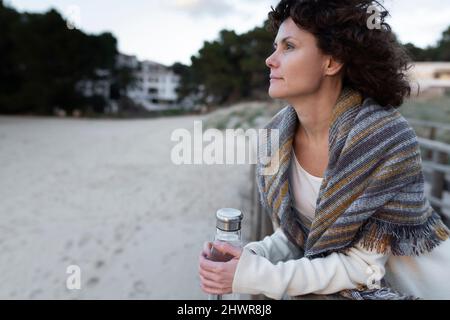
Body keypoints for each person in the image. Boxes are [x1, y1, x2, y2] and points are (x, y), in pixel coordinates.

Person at [198, 0, 450, 300]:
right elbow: (300, 237)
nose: (270, 59)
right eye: (275, 46)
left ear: (331, 62)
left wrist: (256, 275)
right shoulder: (274, 139)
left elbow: (363, 269)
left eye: (288, 46)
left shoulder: (384, 140)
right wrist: (250, 255)